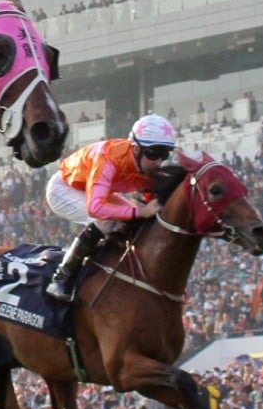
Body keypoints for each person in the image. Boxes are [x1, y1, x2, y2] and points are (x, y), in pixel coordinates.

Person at [43, 114, 176, 302]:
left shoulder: (145, 165)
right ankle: (61, 277)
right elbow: (95, 208)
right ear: (136, 149)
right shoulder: (108, 159)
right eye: (154, 154)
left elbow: (150, 203)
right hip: (64, 189)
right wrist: (138, 211)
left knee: (132, 219)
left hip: (89, 189)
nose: (158, 162)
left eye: (164, 155)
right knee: (107, 218)